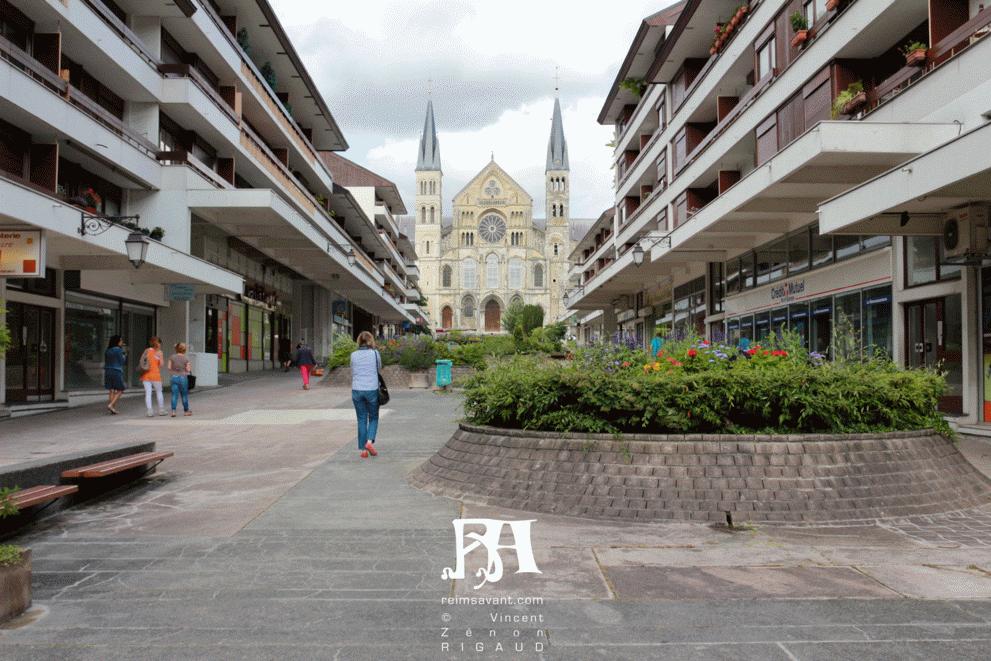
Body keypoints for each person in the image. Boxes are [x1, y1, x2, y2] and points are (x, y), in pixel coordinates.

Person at [350, 331, 382, 459]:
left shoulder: (353, 355)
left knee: (361, 419)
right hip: (371, 389)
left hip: (357, 389)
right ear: (370, 341)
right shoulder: (375, 353)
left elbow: (352, 370)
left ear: (359, 341)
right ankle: (369, 442)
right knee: (373, 417)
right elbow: (379, 368)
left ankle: (363, 450)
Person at [140, 337, 166, 417]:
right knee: (159, 392)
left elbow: (142, 361)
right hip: (155, 375)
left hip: (146, 375)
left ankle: (149, 411)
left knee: (148, 393)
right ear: (158, 344)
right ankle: (161, 410)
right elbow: (161, 365)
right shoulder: (159, 352)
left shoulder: (147, 350)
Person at [103, 335, 127, 415]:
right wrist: (124, 354)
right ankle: (111, 405)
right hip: (116, 371)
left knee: (111, 389)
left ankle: (112, 408)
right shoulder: (118, 350)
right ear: (117, 341)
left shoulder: (108, 350)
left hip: (108, 370)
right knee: (121, 389)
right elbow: (122, 361)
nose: (122, 342)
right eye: (121, 340)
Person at [168, 342, 192, 417]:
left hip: (174, 377)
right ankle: (186, 411)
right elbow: (188, 370)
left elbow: (169, 367)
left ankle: (173, 412)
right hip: (183, 378)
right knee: (184, 395)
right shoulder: (186, 358)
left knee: (174, 395)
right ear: (184, 350)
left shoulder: (172, 357)